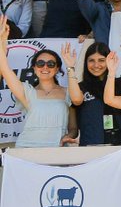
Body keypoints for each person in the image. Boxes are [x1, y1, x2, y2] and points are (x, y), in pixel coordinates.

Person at [0, 17, 79, 147]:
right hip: (26, 148)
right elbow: (5, 69)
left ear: (57, 68)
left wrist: (68, 136)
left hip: (56, 150)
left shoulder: (68, 91)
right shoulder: (27, 91)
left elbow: (73, 128)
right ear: (34, 69)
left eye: (51, 64)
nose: (45, 67)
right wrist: (2, 41)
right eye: (40, 63)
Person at [76, 41, 121, 146]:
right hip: (91, 146)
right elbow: (75, 102)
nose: (96, 65)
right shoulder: (81, 87)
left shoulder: (120, 83)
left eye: (101, 60)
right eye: (91, 60)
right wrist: (70, 67)